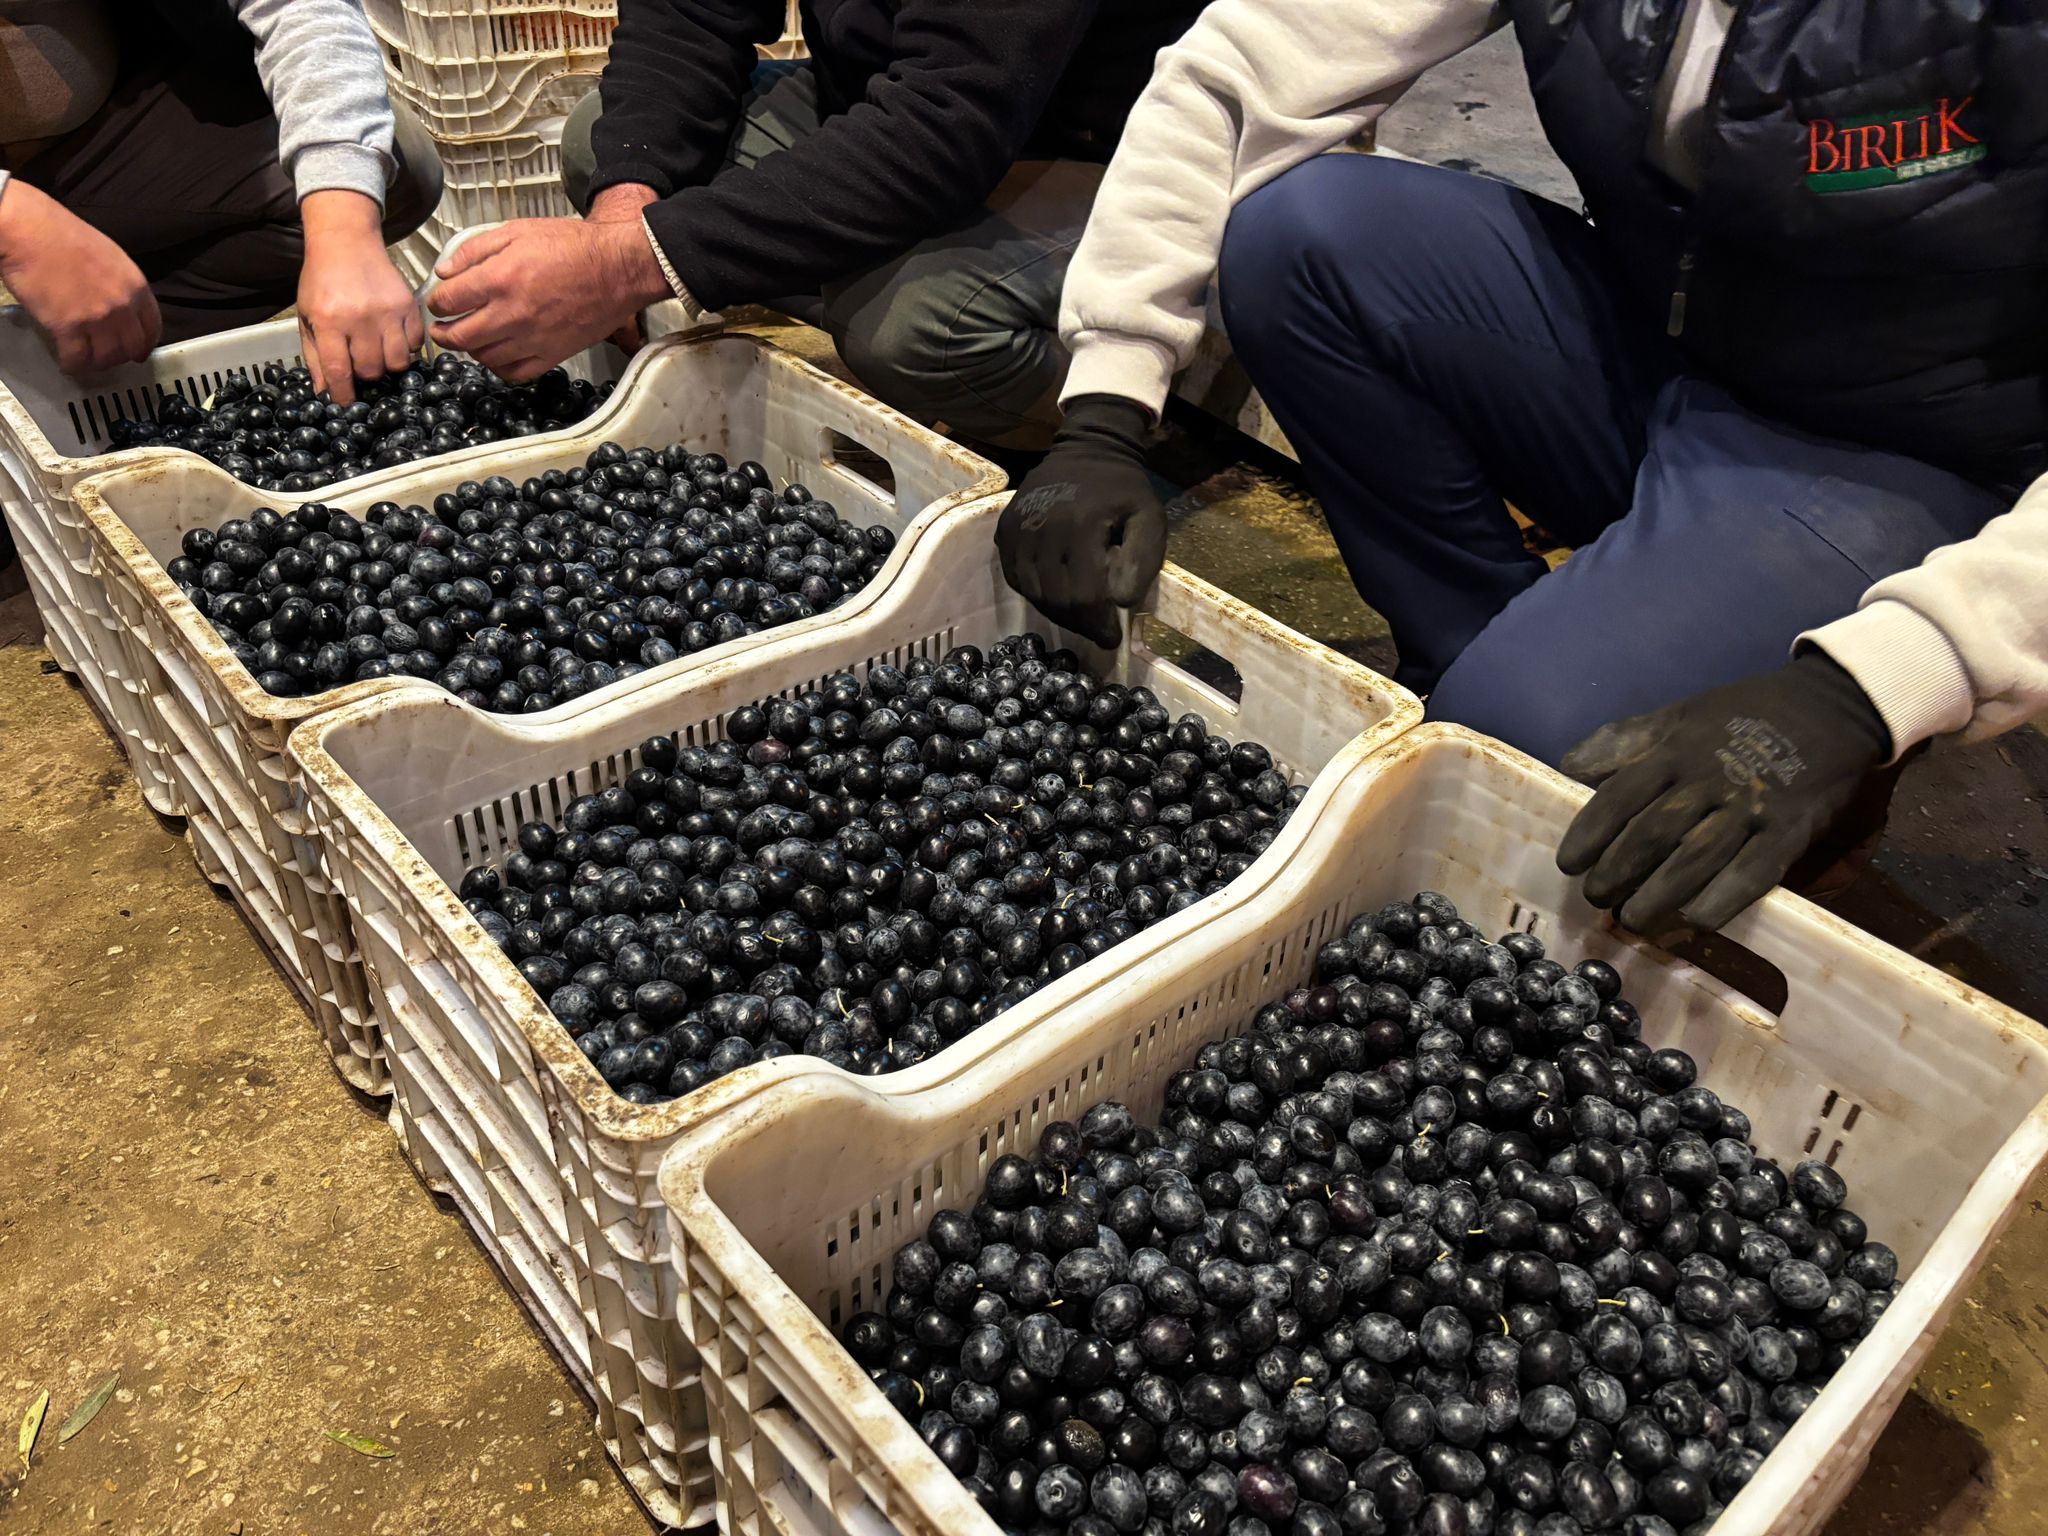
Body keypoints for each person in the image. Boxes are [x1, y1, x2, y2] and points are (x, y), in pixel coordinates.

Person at [996, 0, 2048, 935]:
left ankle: (1724, 732)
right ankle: (1484, 658)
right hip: (1666, 342)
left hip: (1906, 447)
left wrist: (1877, 682)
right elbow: (1246, 61)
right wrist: (1103, 402)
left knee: (1513, 753)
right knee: (1299, 236)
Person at [424, 0, 1207, 451]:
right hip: (897, 104)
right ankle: (876, 262)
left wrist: (636, 263)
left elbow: (950, 118)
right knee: (609, 144)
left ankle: (1126, 406)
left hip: (1112, 147)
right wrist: (626, 214)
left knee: (914, 328)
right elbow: (691, 10)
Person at [0, 0, 441, 405]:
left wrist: (344, 229)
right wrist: (14, 222)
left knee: (387, 173)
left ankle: (101, 346)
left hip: (76, 144)